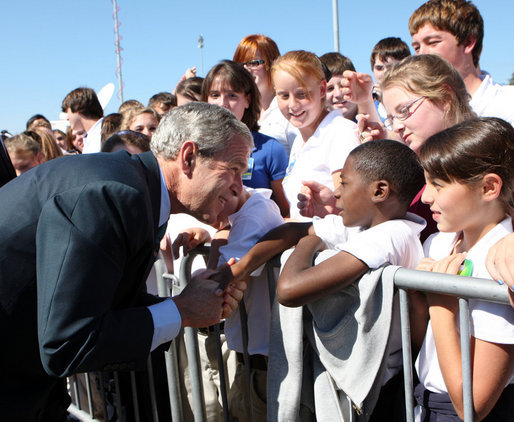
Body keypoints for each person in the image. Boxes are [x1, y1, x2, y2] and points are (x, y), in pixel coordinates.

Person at [0, 102, 252, 421]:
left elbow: (101, 303)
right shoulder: (111, 194)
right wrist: (182, 311)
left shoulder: (136, 189)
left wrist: (190, 307)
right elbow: (67, 341)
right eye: (233, 169)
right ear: (189, 157)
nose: (238, 187)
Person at [215, 139, 426, 420]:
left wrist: (309, 244)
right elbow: (291, 229)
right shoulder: (365, 227)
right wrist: (241, 268)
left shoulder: (391, 235)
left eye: (345, 184)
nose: (336, 194)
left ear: (379, 191)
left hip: (380, 388)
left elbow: (290, 290)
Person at [300, 54, 475, 242]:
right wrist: (341, 207)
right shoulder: (416, 170)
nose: (398, 126)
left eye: (404, 111)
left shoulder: (483, 158)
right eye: (392, 118)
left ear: (444, 98)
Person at [413, 117, 514, 421]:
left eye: (438, 185)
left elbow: (473, 405)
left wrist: (441, 308)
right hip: (425, 400)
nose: (426, 196)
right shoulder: (436, 243)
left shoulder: (500, 264)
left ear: (488, 187)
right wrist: (420, 301)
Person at [271, 50, 360, 219]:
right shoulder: (299, 141)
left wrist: (332, 207)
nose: (293, 104)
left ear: (321, 90)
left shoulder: (341, 132)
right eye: (283, 95)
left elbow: (353, 210)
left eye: (302, 94)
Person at [203, 60, 290, 217]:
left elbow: (285, 213)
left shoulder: (271, 149)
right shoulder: (197, 149)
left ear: (247, 100)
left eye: (232, 96)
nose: (222, 104)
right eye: (215, 95)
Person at [409, 0, 514, 126]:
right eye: (416, 47)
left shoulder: (508, 105)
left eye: (432, 42)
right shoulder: (420, 114)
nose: (422, 54)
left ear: (468, 43)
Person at [233, 34, 298, 156]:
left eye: (254, 63)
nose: (247, 69)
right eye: (241, 65)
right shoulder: (239, 111)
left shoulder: (289, 109)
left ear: (273, 64)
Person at [369, 37, 411, 122]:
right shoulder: (368, 105)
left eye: (391, 67)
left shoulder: (414, 100)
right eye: (379, 68)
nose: (385, 73)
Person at [61, 87, 104, 153]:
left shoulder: (103, 134)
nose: (67, 118)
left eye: (67, 112)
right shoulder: (91, 136)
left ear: (77, 108)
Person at [319, 52, 359, 120]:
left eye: (343, 85)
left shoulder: (377, 118)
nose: (338, 94)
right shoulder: (315, 129)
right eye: (330, 88)